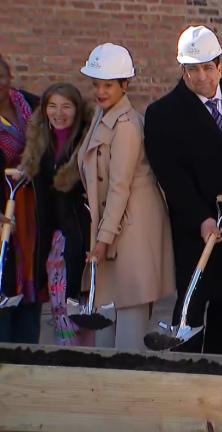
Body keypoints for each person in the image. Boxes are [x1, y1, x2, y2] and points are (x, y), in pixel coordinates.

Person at [145, 25, 222, 354]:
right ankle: (185, 374)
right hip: (196, 228)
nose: (200, 77)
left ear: (220, 65)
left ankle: (215, 365)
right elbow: (172, 177)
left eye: (206, 68)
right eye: (191, 70)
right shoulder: (162, 115)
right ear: (182, 69)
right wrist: (200, 218)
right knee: (191, 304)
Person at [77, 43, 175, 350]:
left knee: (128, 334)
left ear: (125, 84)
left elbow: (119, 186)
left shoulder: (127, 125)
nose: (101, 91)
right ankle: (105, 393)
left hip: (131, 233)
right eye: (97, 84)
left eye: (108, 85)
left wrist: (103, 241)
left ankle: (130, 395)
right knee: (105, 326)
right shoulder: (101, 115)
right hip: (113, 228)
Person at [20, 83, 92, 345]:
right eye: (52, 106)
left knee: (83, 306)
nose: (58, 113)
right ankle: (68, 357)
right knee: (60, 304)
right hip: (55, 237)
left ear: (77, 110)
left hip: (82, 236)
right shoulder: (40, 143)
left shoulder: (87, 143)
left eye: (66, 106)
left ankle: (87, 364)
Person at [0, 54, 42, 344]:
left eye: (1, 77)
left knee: (31, 275)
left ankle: (28, 354)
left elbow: (52, 146)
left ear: (10, 76)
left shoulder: (31, 105)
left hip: (33, 209)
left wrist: (34, 164)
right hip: (3, 210)